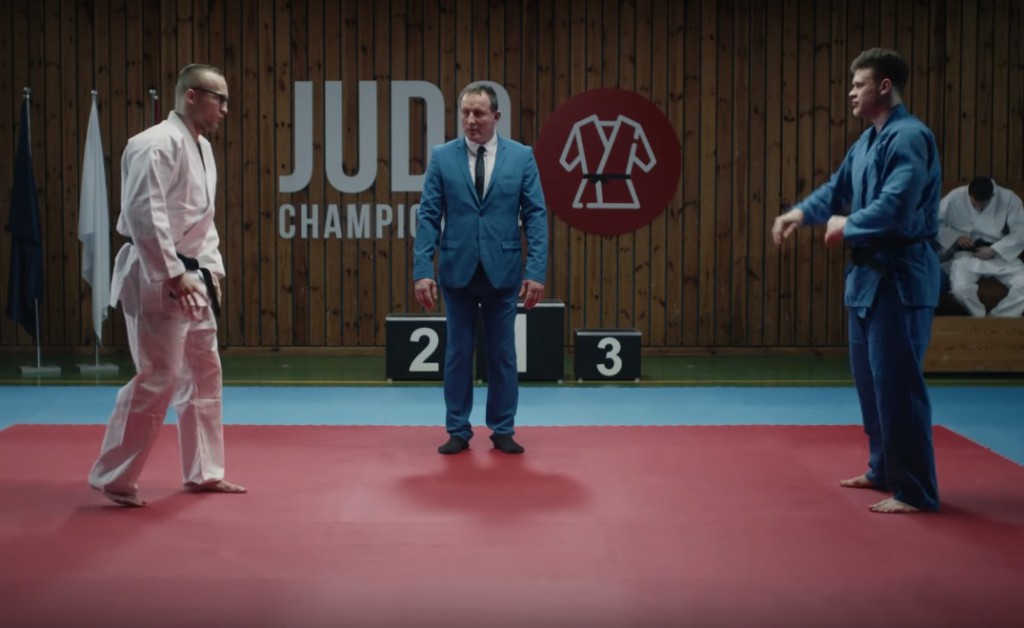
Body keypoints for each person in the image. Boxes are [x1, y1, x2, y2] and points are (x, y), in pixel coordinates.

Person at [771, 48, 941, 514]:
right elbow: (837, 189)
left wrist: (850, 225)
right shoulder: (867, 142)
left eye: (859, 84)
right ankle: (884, 468)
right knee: (871, 384)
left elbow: (898, 202)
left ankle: (916, 491)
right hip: (866, 279)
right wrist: (800, 213)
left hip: (901, 278)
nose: (851, 92)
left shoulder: (909, 137)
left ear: (884, 86)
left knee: (899, 387)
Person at [88, 64, 245, 507]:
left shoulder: (203, 148)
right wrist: (174, 272)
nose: (225, 109)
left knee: (204, 373)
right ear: (191, 96)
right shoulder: (153, 144)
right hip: (157, 274)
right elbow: (145, 213)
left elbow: (203, 223)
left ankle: (205, 471)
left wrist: (210, 273)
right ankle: (114, 477)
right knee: (159, 376)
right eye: (219, 99)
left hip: (194, 276)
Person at [413, 82, 548, 455]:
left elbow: (536, 217)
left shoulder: (522, 157)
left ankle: (503, 428)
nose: (471, 120)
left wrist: (536, 272)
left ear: (496, 116)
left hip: (503, 272)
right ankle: (457, 428)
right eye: (465, 113)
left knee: (502, 354)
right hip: (457, 271)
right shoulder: (442, 157)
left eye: (479, 113)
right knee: (457, 354)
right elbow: (428, 216)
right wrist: (423, 270)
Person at [936, 176, 1024, 317]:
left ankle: (997, 319)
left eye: (982, 205)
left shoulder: (1008, 199)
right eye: (974, 203)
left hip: (999, 253)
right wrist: (955, 237)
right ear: (968, 193)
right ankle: (980, 318)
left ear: (992, 196)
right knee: (960, 289)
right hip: (968, 254)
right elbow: (934, 223)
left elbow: (1020, 231)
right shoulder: (956, 196)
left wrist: (994, 250)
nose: (978, 208)